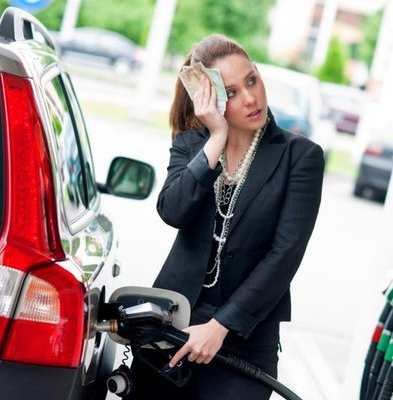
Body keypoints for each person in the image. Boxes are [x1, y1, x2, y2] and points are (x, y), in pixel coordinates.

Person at [130, 34, 324, 400]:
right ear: (211, 98)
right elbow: (172, 211)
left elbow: (285, 255)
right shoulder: (192, 145)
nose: (251, 98)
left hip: (245, 338)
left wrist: (220, 326)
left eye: (252, 79)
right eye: (232, 92)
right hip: (174, 326)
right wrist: (216, 137)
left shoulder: (301, 157)